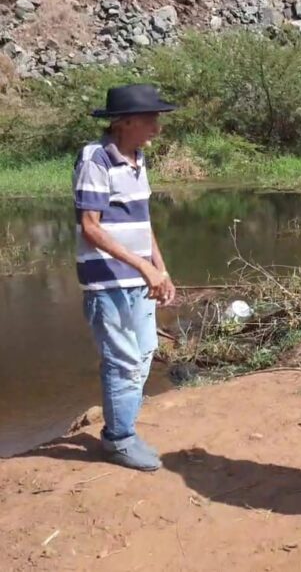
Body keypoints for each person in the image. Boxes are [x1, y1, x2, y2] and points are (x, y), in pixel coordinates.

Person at [74, 84, 178, 471]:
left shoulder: (137, 160)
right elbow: (90, 227)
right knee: (122, 361)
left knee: (145, 353)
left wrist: (160, 268)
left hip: (138, 279)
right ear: (126, 122)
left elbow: (142, 221)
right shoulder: (95, 160)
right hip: (107, 282)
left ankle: (123, 431)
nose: (157, 128)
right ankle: (118, 440)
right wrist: (142, 266)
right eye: (151, 120)